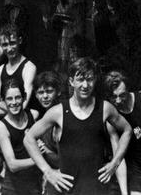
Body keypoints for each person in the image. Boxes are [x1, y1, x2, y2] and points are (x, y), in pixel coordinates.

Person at [26, 57, 131, 195]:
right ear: (71, 81)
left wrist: (115, 162)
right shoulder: (58, 112)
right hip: (68, 189)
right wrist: (48, 171)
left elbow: (127, 130)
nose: (85, 85)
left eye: (89, 79)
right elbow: (29, 139)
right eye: (80, 80)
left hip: (97, 189)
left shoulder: (105, 108)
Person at [0, 79, 42, 195]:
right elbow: (12, 165)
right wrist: (38, 160)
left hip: (35, 183)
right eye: (9, 99)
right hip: (13, 187)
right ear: (3, 101)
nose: (14, 102)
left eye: (18, 97)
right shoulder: (1, 127)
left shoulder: (34, 115)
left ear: (24, 97)